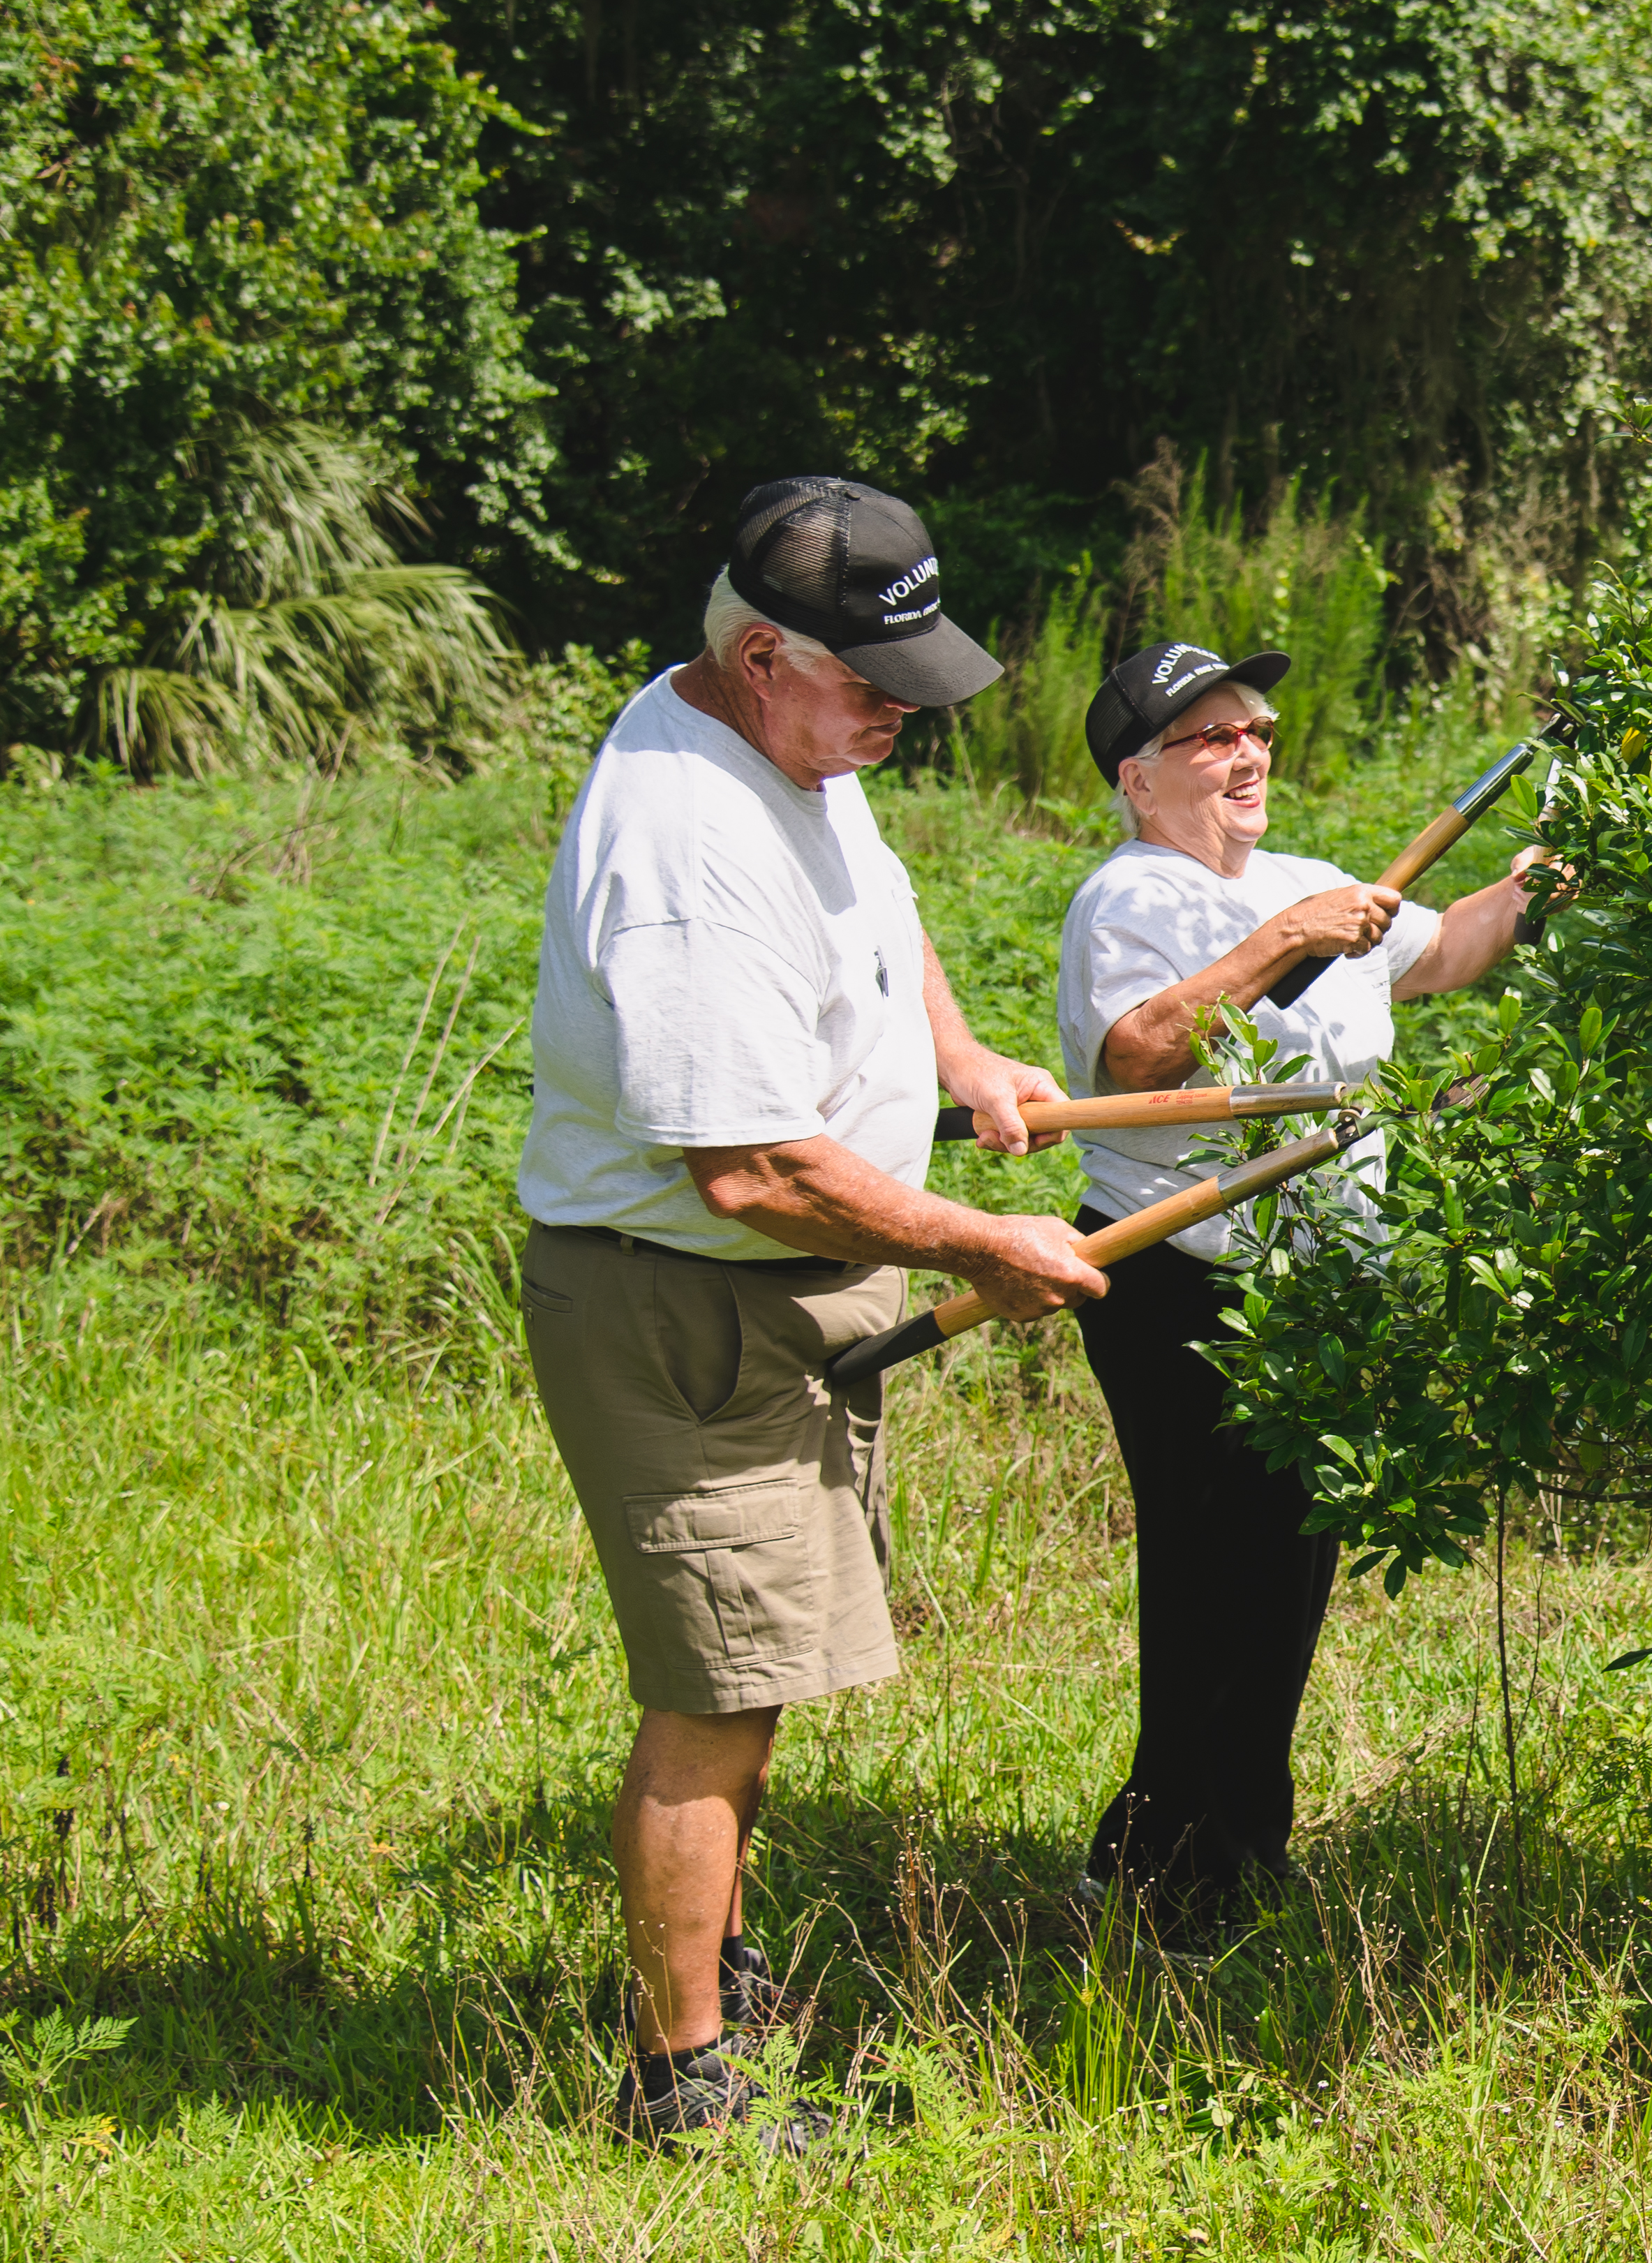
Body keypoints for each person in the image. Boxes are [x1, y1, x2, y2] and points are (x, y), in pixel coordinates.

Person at [519, 477, 1107, 2150]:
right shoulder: (685, 850)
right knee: (713, 1693)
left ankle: (720, 1976)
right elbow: (752, 1170)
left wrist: (967, 1058)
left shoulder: (785, 741)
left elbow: (883, 908)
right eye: (876, 691)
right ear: (763, 653)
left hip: (770, 1302)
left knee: (755, 1668)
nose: (901, 728)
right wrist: (970, 1242)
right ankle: (685, 2081)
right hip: (687, 1309)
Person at [1052, 641, 1538, 1934]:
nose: (1250, 754)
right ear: (1137, 776)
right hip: (1182, 1273)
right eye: (1212, 738)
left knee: (1285, 1575)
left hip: (1319, 1294)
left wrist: (1545, 876)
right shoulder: (1129, 897)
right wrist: (1281, 942)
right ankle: (1177, 1878)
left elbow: (1451, 952)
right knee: (1212, 1569)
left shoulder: (1319, 882)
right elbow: (1143, 1057)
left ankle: (1211, 1848)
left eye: (1257, 730)